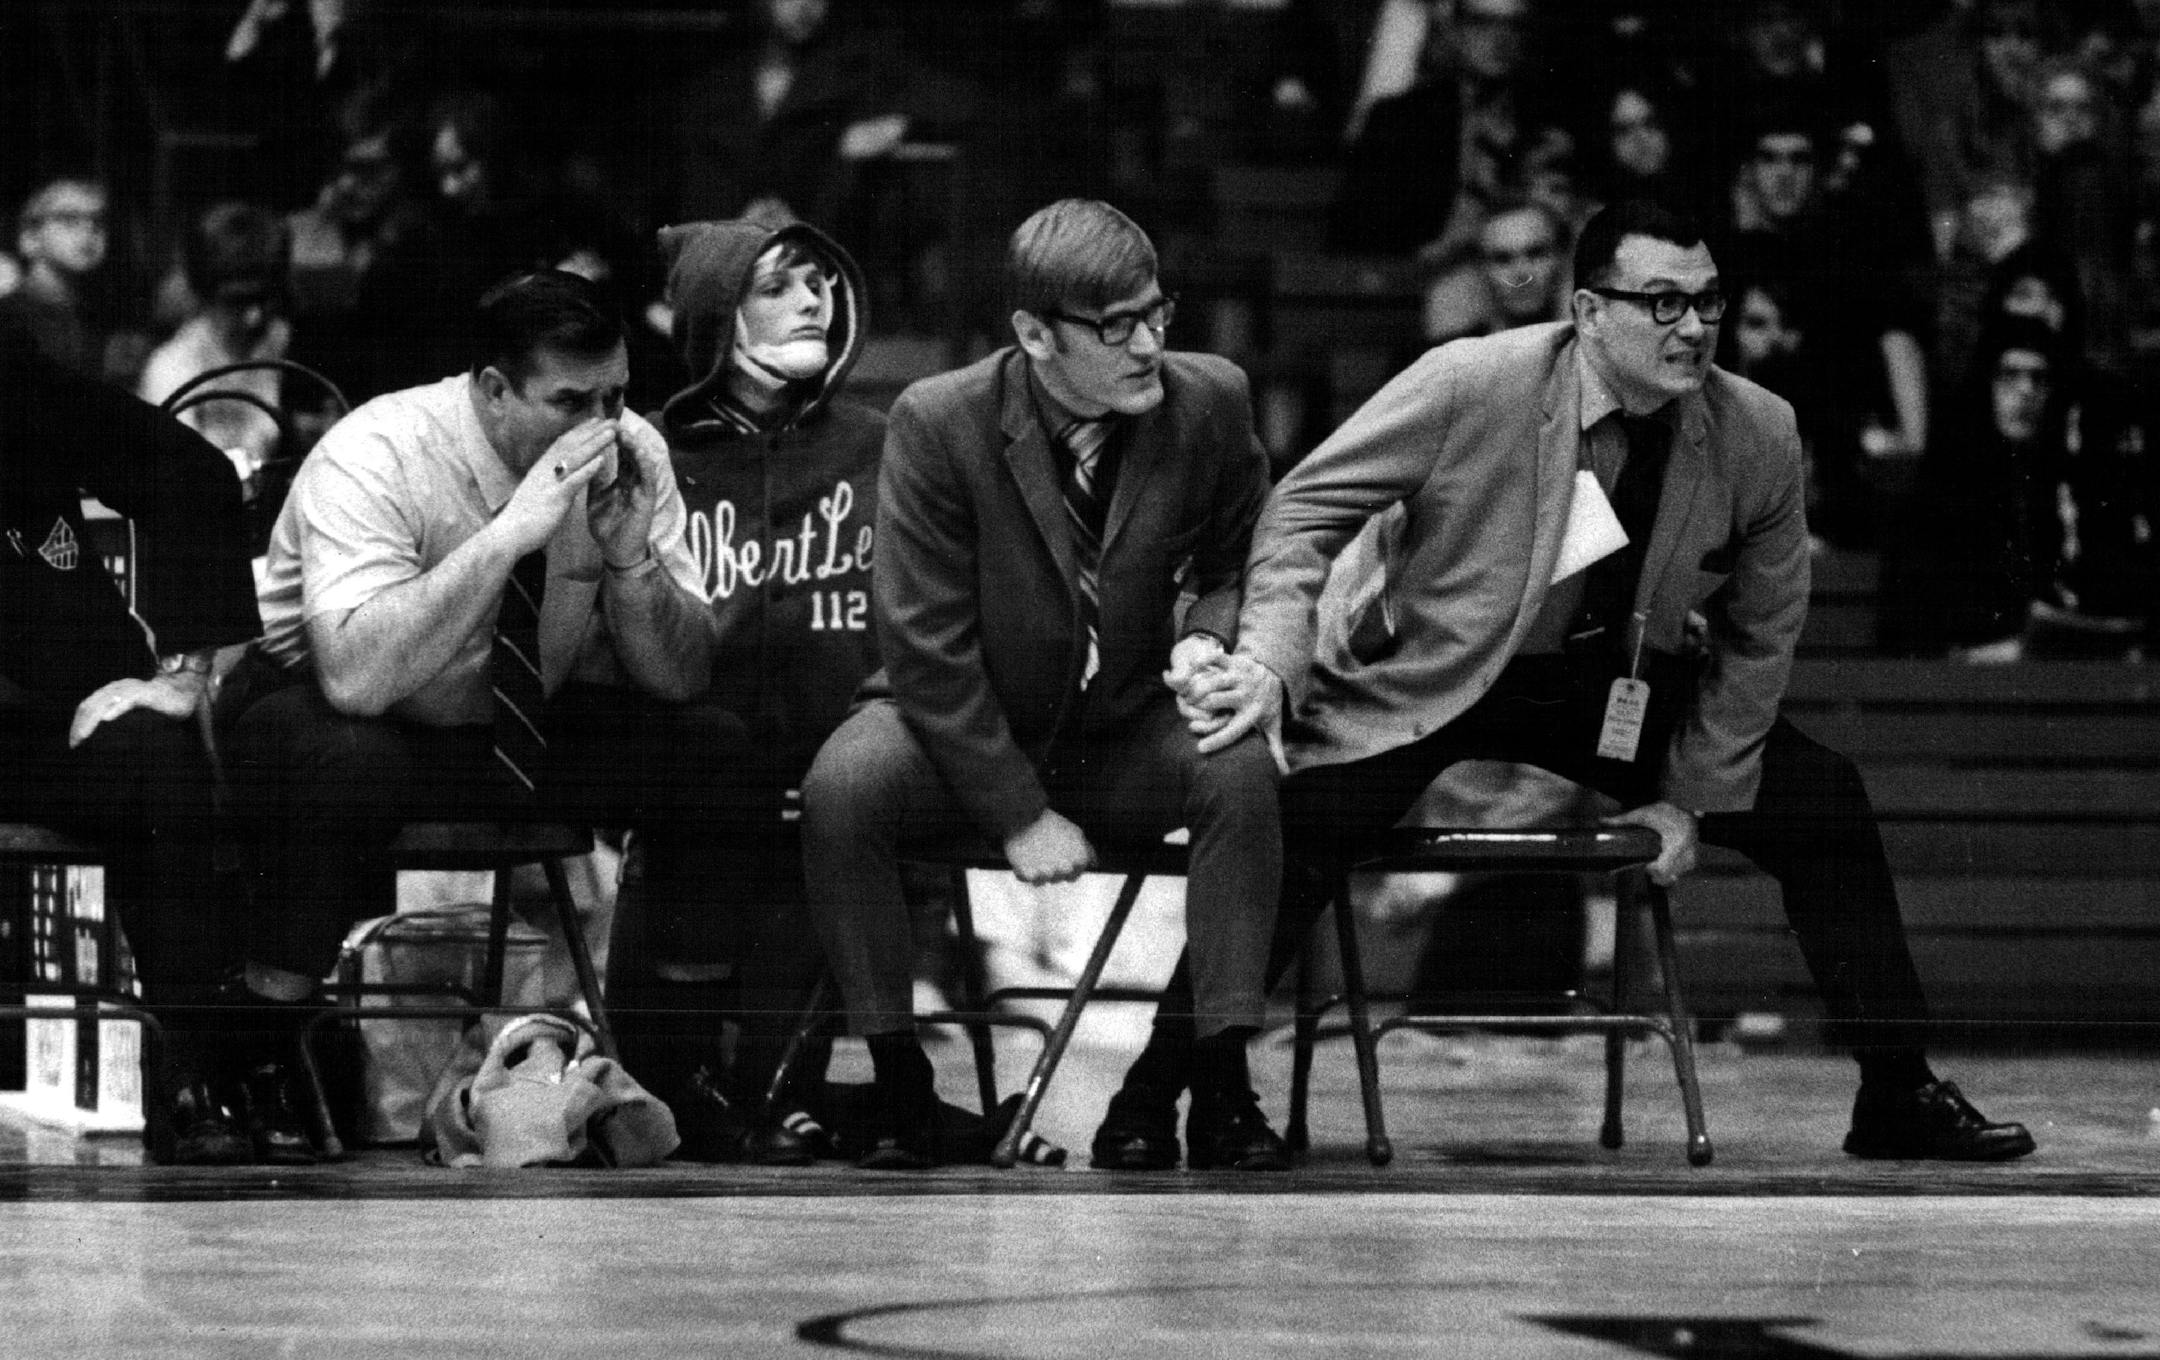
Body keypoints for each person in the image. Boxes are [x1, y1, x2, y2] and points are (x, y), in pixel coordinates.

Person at [1118, 199, 2036, 1165]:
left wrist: (1689, 796)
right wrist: (1271, 656)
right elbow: (1301, 506)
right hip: (1439, 670)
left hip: (1605, 687)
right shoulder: (1475, 380)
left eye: (1710, 303)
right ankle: (1162, 1094)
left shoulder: (1756, 430)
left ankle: (1897, 1089)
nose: (1694, 328)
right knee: (1292, 817)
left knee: (1822, 795)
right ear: (1591, 310)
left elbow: (1762, 636)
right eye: (1663, 302)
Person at [798, 199, 1285, 1171]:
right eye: (1116, 327)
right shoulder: (941, 419)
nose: (1150, 343)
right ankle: (900, 1083)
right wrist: (1017, 812)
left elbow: (1247, 555)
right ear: (1033, 334)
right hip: (962, 721)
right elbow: (923, 642)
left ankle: (1220, 1079)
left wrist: (1213, 638)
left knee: (1238, 770)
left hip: (1122, 723)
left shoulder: (1212, 399)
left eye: (1159, 313)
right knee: (841, 787)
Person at [222, 269, 752, 1160]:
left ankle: (682, 1058)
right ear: (493, 389)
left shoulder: (633, 451)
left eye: (616, 395)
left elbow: (679, 677)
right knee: (345, 756)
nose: (600, 424)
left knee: (711, 746)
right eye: (570, 400)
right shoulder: (378, 449)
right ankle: (261, 1058)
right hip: (336, 707)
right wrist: (511, 532)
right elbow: (354, 677)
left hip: (513, 714)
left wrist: (629, 566)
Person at [627, 215, 884, 1163]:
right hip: (696, 777)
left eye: (821, 281)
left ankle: (783, 1089)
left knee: (833, 799)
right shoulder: (651, 452)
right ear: (716, 318)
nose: (814, 300)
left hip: (843, 760)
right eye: (778, 285)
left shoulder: (881, 442)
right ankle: (722, 1081)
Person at [1, 327, 262, 1164]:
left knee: (156, 752)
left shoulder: (14, 377)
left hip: (57, 716)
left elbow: (192, 474)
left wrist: (180, 675)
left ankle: (190, 1082)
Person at [138, 201, 293, 498]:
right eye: (237, 301)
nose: (255, 316)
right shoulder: (172, 365)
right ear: (203, 292)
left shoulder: (287, 344)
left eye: (265, 298)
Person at [1, 177, 117, 380]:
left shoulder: (98, 315)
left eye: (98, 220)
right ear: (30, 238)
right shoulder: (10, 320)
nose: (88, 230)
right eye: (69, 219)